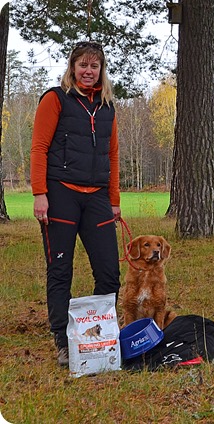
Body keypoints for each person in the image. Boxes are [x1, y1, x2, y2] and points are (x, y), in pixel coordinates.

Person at [30, 41, 121, 365]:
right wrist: (40, 195)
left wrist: (114, 200)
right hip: (60, 195)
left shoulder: (108, 106)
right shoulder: (55, 99)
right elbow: (39, 147)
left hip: (96, 197)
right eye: (82, 65)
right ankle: (62, 339)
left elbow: (112, 155)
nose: (88, 71)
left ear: (101, 70)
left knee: (110, 272)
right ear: (72, 68)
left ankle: (101, 330)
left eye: (94, 66)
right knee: (60, 270)